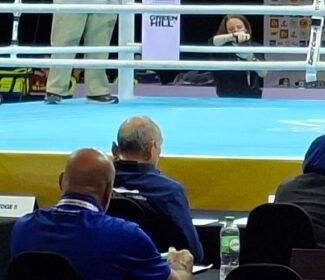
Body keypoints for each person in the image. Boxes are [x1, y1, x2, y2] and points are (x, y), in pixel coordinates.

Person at [11, 148, 194, 280]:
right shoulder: (126, 236)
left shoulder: (23, 227)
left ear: (61, 182)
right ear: (108, 191)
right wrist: (180, 267)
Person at [111, 116, 203, 262]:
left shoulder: (98, 183)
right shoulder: (168, 192)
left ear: (115, 148)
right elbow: (192, 254)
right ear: (151, 148)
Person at [210, 14, 265, 98]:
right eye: (231, 29)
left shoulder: (255, 46)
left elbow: (263, 73)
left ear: (246, 28)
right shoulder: (221, 47)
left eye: (239, 27)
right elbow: (212, 41)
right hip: (226, 97)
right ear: (226, 31)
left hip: (252, 96)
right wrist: (232, 37)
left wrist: (251, 59)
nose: (236, 31)